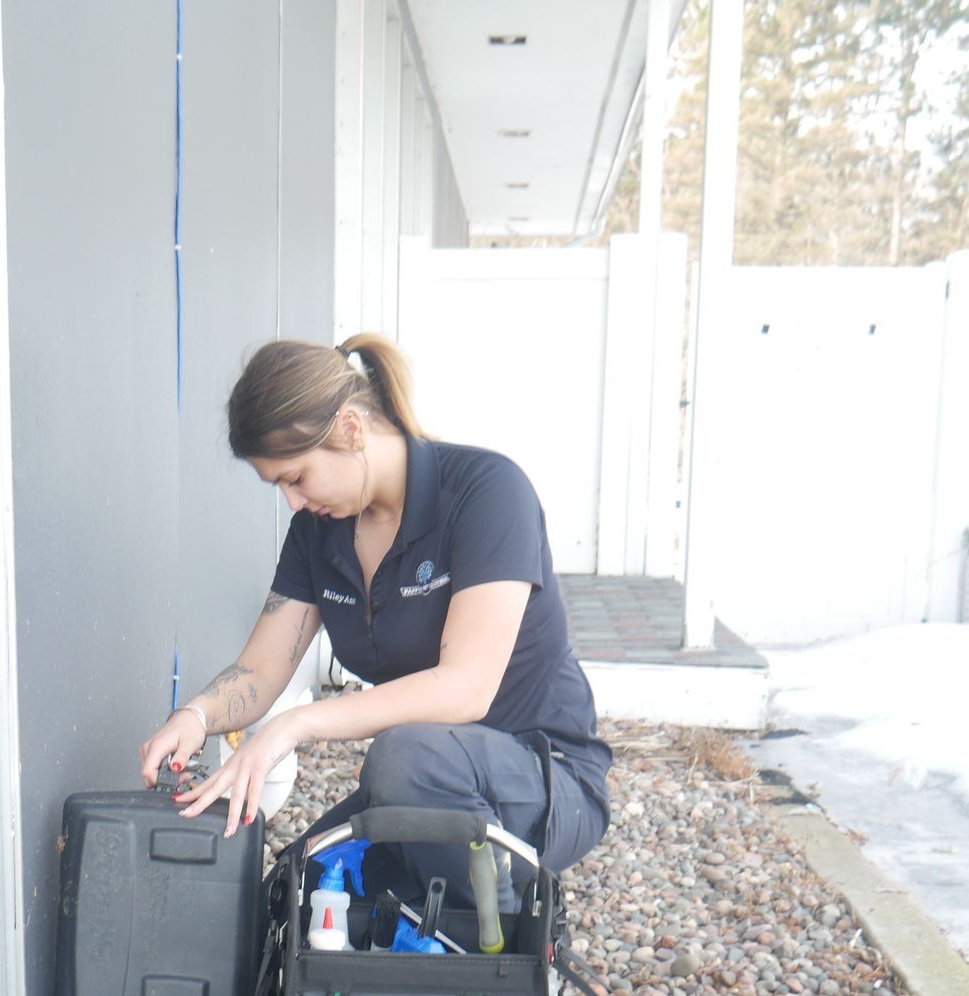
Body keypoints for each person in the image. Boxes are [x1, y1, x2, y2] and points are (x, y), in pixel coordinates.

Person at [136, 333, 612, 910]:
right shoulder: (319, 531)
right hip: (424, 786)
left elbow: (466, 689)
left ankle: (504, 958)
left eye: (296, 477)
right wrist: (197, 714)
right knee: (291, 900)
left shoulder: (488, 492)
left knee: (404, 758)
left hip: (541, 779)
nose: (291, 502)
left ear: (352, 430)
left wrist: (295, 727)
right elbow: (260, 670)